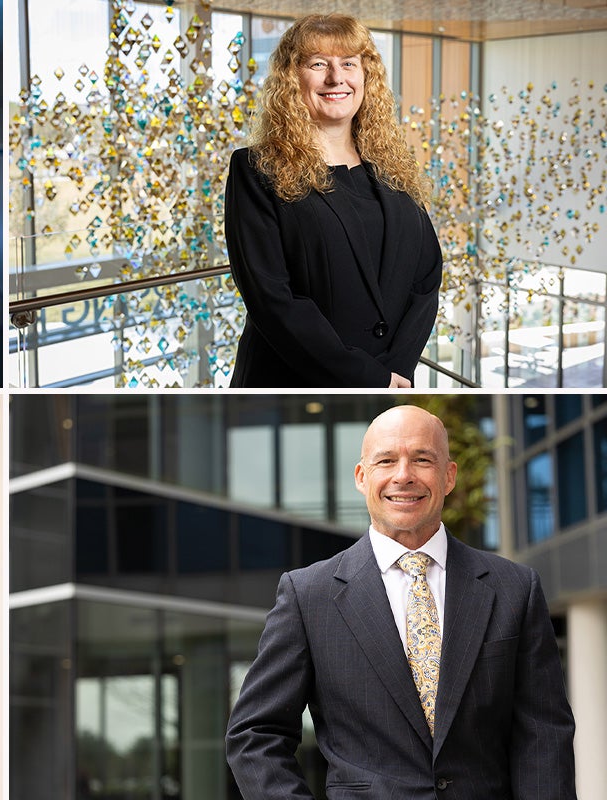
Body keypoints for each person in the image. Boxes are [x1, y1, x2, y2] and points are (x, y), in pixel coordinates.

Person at [225, 404, 576, 799]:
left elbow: (545, 737)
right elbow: (255, 735)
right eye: (386, 460)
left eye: (422, 459)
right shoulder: (309, 595)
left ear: (448, 476)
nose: (404, 475)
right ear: (362, 477)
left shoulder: (516, 588)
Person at [225, 15, 442, 387]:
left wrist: (397, 371)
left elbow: (426, 277)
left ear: (365, 76)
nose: (335, 78)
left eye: (348, 64)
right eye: (318, 64)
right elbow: (273, 300)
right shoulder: (255, 169)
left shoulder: (393, 164)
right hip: (293, 384)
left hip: (390, 379)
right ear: (292, 77)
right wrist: (364, 377)